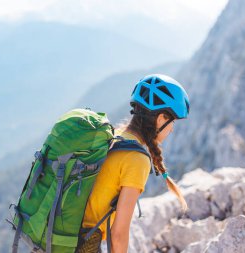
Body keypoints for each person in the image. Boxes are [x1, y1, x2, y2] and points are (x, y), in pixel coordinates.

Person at [75, 74, 190, 253]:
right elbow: (119, 235)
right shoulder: (137, 159)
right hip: (81, 246)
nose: (172, 128)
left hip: (60, 237)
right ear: (161, 118)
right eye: (172, 121)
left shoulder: (115, 136)